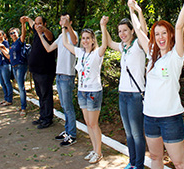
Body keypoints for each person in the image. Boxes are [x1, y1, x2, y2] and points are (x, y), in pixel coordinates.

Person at [128, 0, 184, 169]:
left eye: (164, 33)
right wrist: (132, 10)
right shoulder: (152, 55)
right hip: (149, 117)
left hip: (170, 118)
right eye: (157, 34)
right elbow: (138, 29)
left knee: (179, 162)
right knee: (155, 157)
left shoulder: (176, 56)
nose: (161, 37)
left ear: (170, 35)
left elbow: (180, 26)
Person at [104, 11, 147, 169]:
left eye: (125, 30)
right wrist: (104, 26)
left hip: (136, 95)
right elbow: (109, 42)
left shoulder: (138, 44)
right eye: (120, 31)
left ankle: (139, 165)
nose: (122, 34)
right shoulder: (123, 48)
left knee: (137, 134)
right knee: (128, 133)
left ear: (132, 31)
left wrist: (138, 12)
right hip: (123, 94)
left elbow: (144, 30)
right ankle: (132, 162)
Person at [62, 16, 107, 164]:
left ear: (93, 40)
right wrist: (64, 27)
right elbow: (65, 43)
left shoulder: (97, 53)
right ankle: (94, 150)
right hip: (82, 91)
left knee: (94, 124)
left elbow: (105, 44)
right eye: (83, 38)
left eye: (88, 38)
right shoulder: (81, 53)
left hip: (94, 92)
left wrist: (103, 26)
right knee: (88, 123)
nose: (85, 40)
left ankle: (99, 152)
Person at [36, 13, 79, 147]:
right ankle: (67, 131)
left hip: (67, 75)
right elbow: (49, 48)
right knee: (64, 106)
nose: (63, 21)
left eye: (66, 19)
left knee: (68, 106)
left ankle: (72, 134)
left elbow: (75, 41)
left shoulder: (74, 34)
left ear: (70, 22)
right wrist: (39, 34)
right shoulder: (61, 36)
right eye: (61, 19)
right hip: (59, 75)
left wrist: (67, 27)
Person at [22, 16, 56, 129]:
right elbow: (32, 23)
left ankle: (48, 119)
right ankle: (42, 116)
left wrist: (43, 30)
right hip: (35, 71)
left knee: (46, 95)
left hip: (45, 71)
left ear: (45, 24)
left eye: (40, 23)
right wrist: (27, 19)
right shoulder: (36, 31)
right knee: (40, 94)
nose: (37, 25)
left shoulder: (47, 34)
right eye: (36, 24)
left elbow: (50, 37)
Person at [9, 18, 28, 116]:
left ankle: (24, 108)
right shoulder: (12, 45)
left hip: (21, 65)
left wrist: (23, 24)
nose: (13, 34)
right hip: (14, 66)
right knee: (20, 86)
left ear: (18, 33)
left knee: (21, 87)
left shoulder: (19, 41)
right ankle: (22, 105)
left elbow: (24, 34)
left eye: (14, 32)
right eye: (11, 33)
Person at [0, 30, 13, 106]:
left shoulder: (5, 43)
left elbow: (8, 53)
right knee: (2, 83)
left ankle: (9, 99)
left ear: (3, 35)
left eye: (0, 35)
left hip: (5, 64)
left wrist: (1, 47)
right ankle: (6, 98)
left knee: (7, 82)